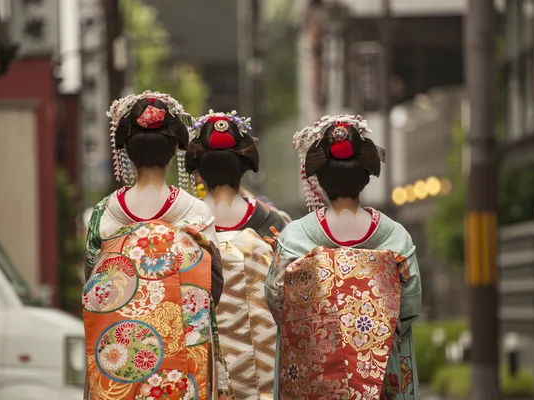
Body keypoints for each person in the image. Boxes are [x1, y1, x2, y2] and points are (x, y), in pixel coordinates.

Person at [82, 91, 234, 400]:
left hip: (119, 353)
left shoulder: (104, 214)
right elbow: (213, 287)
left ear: (125, 149)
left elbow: (92, 284)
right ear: (175, 150)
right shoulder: (196, 213)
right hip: (183, 356)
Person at [265, 114, 422, 400]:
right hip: (380, 365)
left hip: (312, 371)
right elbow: (410, 306)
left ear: (320, 178)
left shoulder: (295, 237)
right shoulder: (396, 237)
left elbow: (278, 302)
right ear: (365, 174)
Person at [183, 110, 288, 398]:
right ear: (244, 165)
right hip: (268, 364)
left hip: (203, 364)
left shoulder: (183, 227)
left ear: (198, 170)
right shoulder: (276, 224)